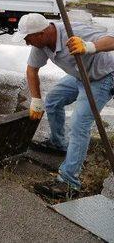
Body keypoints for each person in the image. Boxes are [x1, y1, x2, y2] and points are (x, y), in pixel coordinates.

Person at [14, 13, 114, 198]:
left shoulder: (72, 30)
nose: (28, 44)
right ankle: (58, 143)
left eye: (28, 39)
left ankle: (69, 182)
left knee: (79, 125)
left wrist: (90, 46)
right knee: (52, 100)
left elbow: (112, 40)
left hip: (102, 77)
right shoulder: (41, 43)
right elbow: (31, 70)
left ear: (42, 33)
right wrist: (36, 100)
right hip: (79, 76)